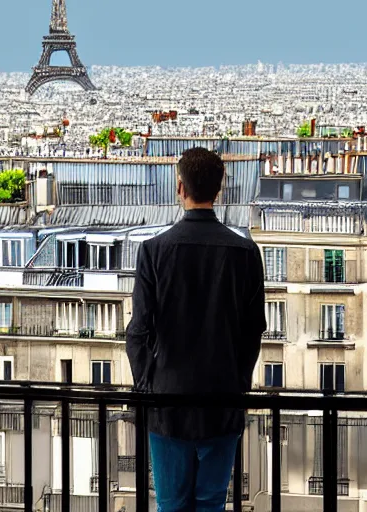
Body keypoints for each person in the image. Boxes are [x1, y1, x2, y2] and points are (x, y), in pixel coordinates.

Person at [126, 147, 266, 512]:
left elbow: (138, 331)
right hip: (222, 399)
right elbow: (253, 332)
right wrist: (238, 383)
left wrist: (148, 386)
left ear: (180, 187)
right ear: (218, 191)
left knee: (171, 505)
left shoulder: (153, 251)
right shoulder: (246, 253)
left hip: (167, 402)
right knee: (211, 504)